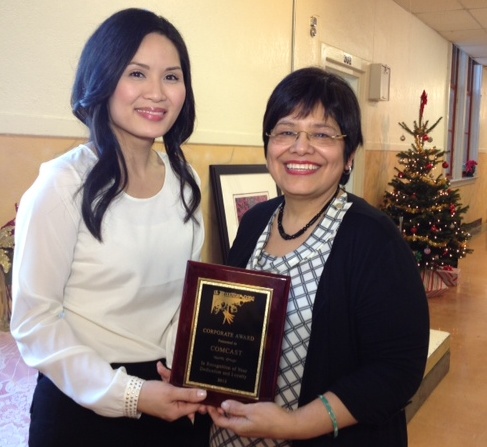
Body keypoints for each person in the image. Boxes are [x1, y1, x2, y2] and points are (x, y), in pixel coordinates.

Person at [10, 8, 209, 447]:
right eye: (136, 73)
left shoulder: (186, 182)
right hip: (82, 402)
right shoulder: (63, 183)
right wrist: (131, 395)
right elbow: (35, 322)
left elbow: (183, 300)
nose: (156, 94)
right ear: (102, 80)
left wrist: (184, 366)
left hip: (167, 393)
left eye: (172, 77)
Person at [208, 67, 430, 446]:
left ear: (349, 156)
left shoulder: (375, 241)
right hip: (231, 435)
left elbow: (396, 371)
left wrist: (293, 425)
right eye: (286, 131)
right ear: (268, 144)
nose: (300, 147)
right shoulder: (255, 221)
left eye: (323, 134)